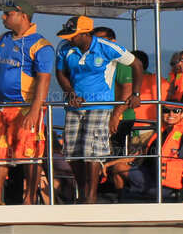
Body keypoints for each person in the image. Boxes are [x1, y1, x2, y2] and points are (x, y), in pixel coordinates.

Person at [0, 0, 53, 206]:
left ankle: (30, 199)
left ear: (23, 15)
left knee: (29, 154)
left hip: (24, 106)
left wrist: (34, 110)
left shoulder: (41, 45)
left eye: (7, 14)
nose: (3, 17)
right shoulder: (3, 39)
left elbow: (44, 79)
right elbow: (0, 67)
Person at [54, 15, 143, 204]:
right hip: (74, 106)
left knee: (91, 152)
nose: (69, 39)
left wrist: (135, 93)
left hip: (100, 105)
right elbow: (60, 72)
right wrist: (69, 92)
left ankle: (91, 197)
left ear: (86, 33)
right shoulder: (65, 49)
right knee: (72, 152)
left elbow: (136, 64)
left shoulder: (105, 47)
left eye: (73, 35)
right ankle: (83, 190)